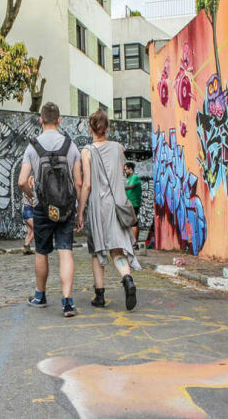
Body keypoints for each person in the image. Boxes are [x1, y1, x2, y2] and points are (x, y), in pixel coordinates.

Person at [18, 102, 82, 317]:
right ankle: (67, 301)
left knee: (41, 252)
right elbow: (79, 182)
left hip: (42, 208)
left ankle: (40, 295)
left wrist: (32, 196)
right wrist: (80, 210)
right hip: (65, 207)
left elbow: (21, 181)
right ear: (60, 120)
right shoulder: (70, 145)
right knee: (65, 251)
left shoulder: (32, 146)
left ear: (41, 120)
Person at [77, 109, 141, 311]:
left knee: (97, 250)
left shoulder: (86, 151)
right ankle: (127, 279)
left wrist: (80, 211)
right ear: (107, 128)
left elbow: (87, 185)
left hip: (99, 207)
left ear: (90, 128)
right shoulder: (119, 148)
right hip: (118, 205)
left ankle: (100, 296)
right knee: (117, 249)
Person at [124, 162, 142, 246]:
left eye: (126, 169)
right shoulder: (128, 177)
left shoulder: (135, 177)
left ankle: (135, 242)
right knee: (129, 222)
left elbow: (130, 186)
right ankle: (131, 241)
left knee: (134, 222)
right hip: (128, 203)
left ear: (130, 169)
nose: (125, 171)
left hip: (134, 203)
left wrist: (120, 187)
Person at [22, 176, 35, 255]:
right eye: (32, 180)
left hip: (28, 210)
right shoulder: (28, 191)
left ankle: (26, 250)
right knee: (37, 229)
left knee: (30, 231)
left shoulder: (30, 190)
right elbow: (32, 202)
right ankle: (26, 245)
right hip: (29, 210)